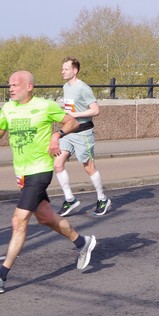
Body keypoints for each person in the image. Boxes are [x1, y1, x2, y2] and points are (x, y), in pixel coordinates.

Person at [0, 71, 96, 293]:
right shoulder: (8, 108)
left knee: (18, 220)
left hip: (40, 170)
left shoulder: (45, 106)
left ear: (29, 86)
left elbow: (71, 122)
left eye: (15, 85)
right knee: (46, 217)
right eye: (9, 85)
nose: (11, 88)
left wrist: (57, 135)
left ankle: (1, 276)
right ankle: (83, 242)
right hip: (22, 173)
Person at [55, 57, 112, 217]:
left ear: (75, 70)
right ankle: (70, 199)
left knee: (88, 167)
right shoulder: (65, 87)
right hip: (68, 132)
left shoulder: (83, 88)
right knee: (58, 164)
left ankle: (102, 199)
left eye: (66, 69)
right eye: (62, 69)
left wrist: (75, 114)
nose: (63, 71)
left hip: (83, 133)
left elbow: (95, 110)